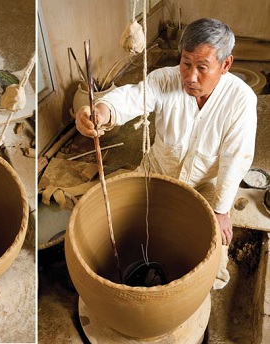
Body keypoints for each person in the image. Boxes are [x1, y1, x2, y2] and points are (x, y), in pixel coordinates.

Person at [75, 18, 257, 289]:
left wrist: (220, 211)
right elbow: (133, 98)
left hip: (205, 186)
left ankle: (187, 296)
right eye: (186, 63)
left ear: (226, 65)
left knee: (211, 260)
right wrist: (102, 112)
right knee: (111, 220)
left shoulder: (240, 100)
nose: (190, 76)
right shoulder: (164, 79)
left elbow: (236, 159)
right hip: (158, 169)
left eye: (202, 68)